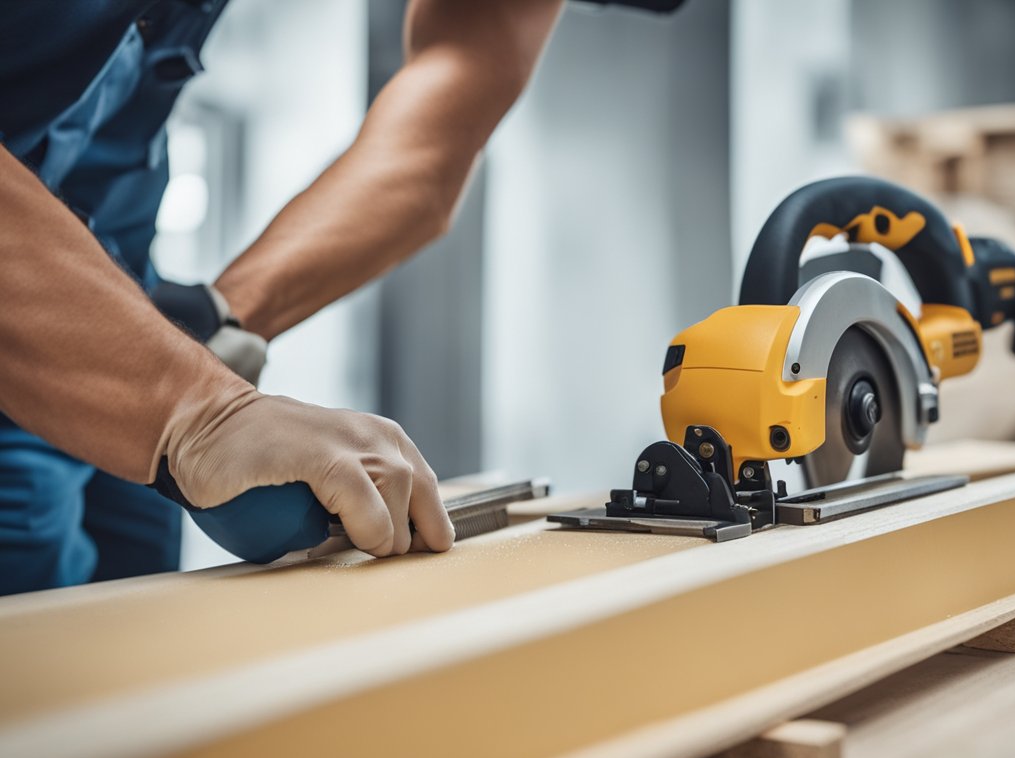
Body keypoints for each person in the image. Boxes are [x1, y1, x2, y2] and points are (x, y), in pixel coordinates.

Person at [0, 0, 675, 595]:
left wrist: (217, 327)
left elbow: (452, 94)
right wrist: (196, 409)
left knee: (137, 642)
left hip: (120, 289)